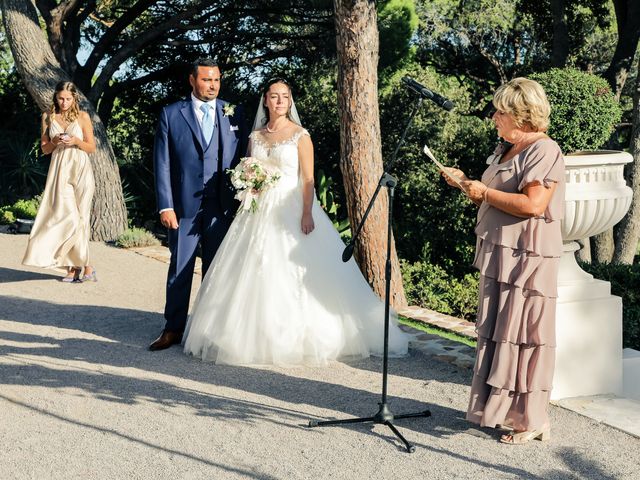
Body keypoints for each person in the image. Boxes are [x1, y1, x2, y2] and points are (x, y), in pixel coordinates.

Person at [182, 78, 408, 366]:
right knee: (252, 269)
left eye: (284, 97)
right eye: (274, 96)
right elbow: (251, 167)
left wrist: (306, 212)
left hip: (291, 208)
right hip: (258, 209)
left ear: (290, 102)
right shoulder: (256, 136)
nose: (279, 101)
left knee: (293, 272)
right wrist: (249, 181)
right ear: (265, 100)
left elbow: (308, 178)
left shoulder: (300, 135)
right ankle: (250, 332)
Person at [442, 77, 565, 444]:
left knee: (524, 334)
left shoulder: (544, 150)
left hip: (528, 258)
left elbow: (534, 205)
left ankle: (533, 419)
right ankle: (500, 411)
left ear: (522, 115)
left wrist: (485, 193)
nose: (494, 116)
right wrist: (467, 183)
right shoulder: (507, 149)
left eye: (501, 111)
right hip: (501, 254)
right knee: (500, 332)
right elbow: (493, 196)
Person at [149, 58, 248, 351]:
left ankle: (209, 330)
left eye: (216, 80)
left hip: (223, 206)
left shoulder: (234, 113)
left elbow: (244, 156)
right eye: (206, 80)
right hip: (183, 207)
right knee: (180, 268)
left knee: (217, 270)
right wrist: (165, 205)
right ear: (192, 80)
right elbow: (162, 162)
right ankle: (173, 328)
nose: (212, 86)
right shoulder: (171, 114)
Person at [23, 81, 97, 282]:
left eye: (68, 99)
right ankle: (82, 266)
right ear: (55, 97)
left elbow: (92, 147)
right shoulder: (48, 117)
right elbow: (45, 149)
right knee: (68, 216)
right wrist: (55, 141)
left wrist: (75, 141)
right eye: (60, 98)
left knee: (81, 217)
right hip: (59, 170)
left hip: (81, 169)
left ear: (74, 99)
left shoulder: (82, 117)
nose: (64, 102)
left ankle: (77, 268)